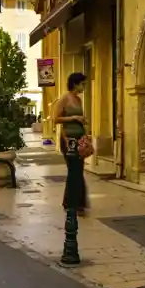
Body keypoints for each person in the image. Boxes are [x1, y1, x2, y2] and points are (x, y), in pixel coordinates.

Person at [54, 72, 89, 216]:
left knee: (78, 170)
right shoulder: (64, 98)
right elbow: (55, 119)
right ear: (75, 84)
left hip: (79, 138)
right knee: (73, 170)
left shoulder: (79, 100)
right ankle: (72, 203)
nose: (84, 87)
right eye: (83, 84)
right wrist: (73, 117)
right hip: (68, 139)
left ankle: (76, 202)